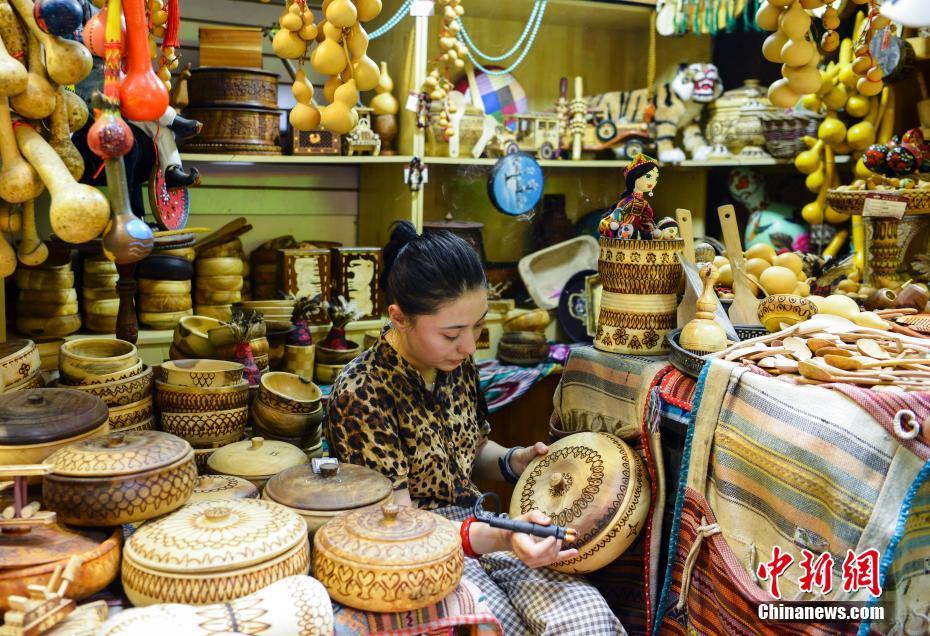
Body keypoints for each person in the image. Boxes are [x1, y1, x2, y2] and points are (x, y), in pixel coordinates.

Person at [324, 221, 626, 636]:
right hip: (420, 554)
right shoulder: (361, 392)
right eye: (452, 333)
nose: (469, 347)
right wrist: (502, 537)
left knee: (584, 619)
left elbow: (468, 451)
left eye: (478, 326)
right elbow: (398, 525)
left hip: (482, 526)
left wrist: (514, 461)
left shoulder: (455, 363)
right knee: (498, 627)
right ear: (399, 318)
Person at [598, 153, 660, 240]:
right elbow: (619, 211)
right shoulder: (629, 200)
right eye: (649, 176)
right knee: (628, 232)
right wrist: (616, 221)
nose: (653, 182)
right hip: (626, 224)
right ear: (635, 177)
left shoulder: (645, 203)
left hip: (640, 225)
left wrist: (651, 226)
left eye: (656, 178)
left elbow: (647, 217)